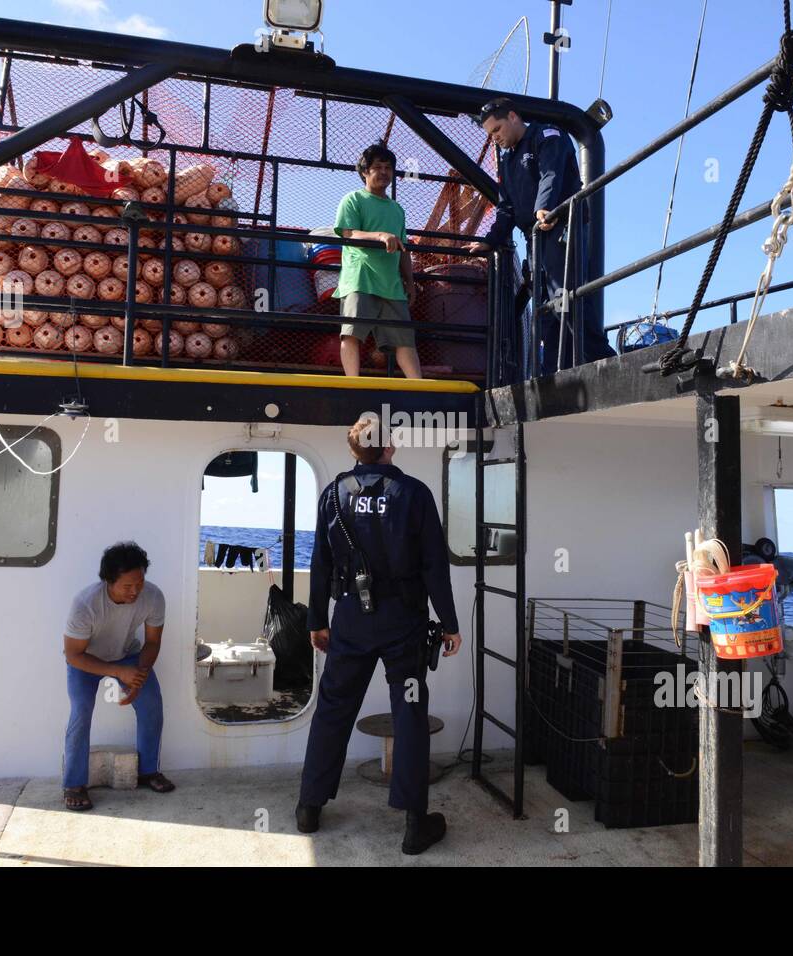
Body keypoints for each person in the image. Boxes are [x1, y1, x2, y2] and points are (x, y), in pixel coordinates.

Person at [296, 415, 462, 854]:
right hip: (402, 623)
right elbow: (433, 566)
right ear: (390, 446)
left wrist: (317, 619)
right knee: (408, 713)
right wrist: (449, 623)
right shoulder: (414, 494)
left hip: (350, 618)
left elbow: (320, 563)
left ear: (355, 451)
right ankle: (413, 824)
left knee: (333, 708)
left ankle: (309, 806)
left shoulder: (333, 494)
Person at [467, 97, 617, 375]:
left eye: (497, 129)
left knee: (566, 298)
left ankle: (606, 363)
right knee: (546, 309)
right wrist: (491, 239)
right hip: (534, 238)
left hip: (559, 227)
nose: (495, 137)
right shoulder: (508, 158)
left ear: (513, 117)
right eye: (490, 134)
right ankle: (552, 373)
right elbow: (506, 207)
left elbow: (551, 173)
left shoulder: (548, 135)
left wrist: (544, 209)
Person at [62, 541, 173, 811]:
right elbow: (73, 655)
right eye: (127, 586)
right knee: (81, 711)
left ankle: (148, 771)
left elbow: (152, 643)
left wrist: (139, 675)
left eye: (140, 583)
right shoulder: (85, 604)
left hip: (128, 655)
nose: (135, 591)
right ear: (108, 581)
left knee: (151, 705)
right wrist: (117, 671)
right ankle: (74, 784)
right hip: (87, 659)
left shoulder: (154, 597)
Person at [334, 143, 422, 379]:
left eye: (388, 167)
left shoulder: (397, 210)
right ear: (364, 172)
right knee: (351, 334)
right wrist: (381, 235)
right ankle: (353, 384)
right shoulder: (352, 200)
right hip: (360, 279)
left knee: (405, 340)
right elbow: (348, 233)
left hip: (392, 285)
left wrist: (410, 283)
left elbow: (403, 249)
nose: (383, 172)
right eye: (377, 167)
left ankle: (419, 389)